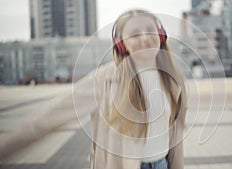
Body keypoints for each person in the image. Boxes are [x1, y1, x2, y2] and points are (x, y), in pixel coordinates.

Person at [0, 9, 187, 169]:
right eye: (135, 34)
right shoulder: (104, 80)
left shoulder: (172, 79)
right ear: (121, 44)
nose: (145, 38)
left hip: (162, 164)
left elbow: (177, 136)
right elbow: (48, 119)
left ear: (161, 34)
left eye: (150, 30)